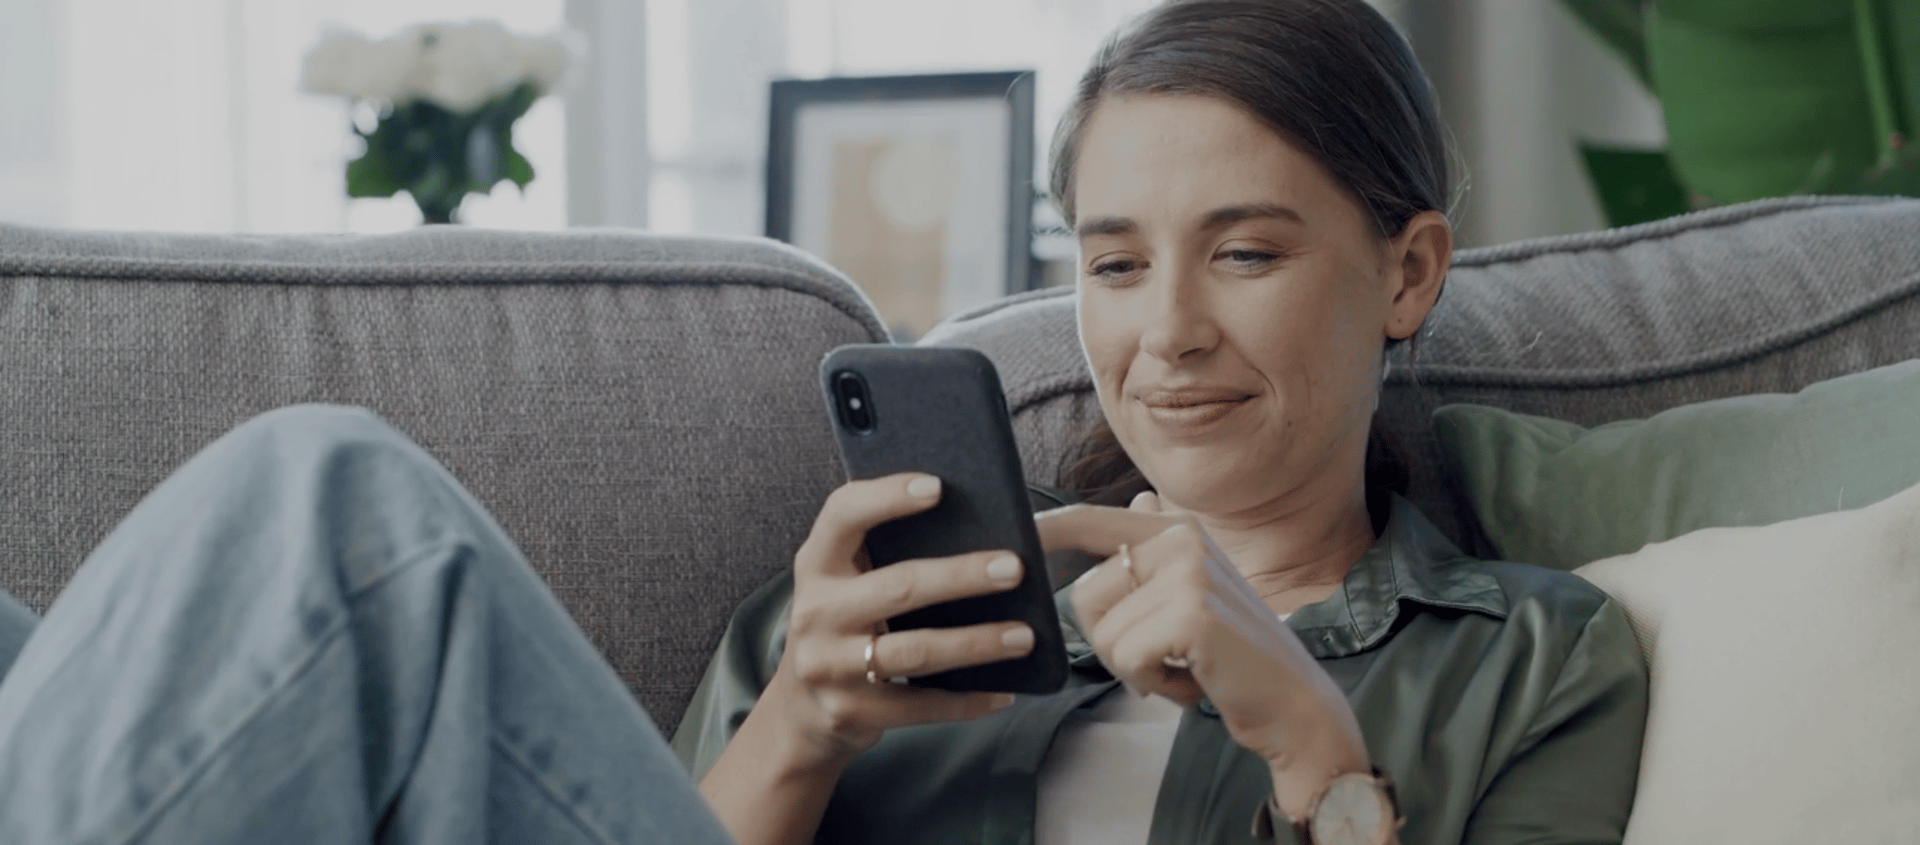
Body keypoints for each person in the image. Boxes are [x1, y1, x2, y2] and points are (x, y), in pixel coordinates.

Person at [672, 1, 1648, 844]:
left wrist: (1317, 749)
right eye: (1118, 266)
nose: (1170, 332)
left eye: (1246, 254)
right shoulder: (867, 609)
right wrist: (796, 725)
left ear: (1410, 272)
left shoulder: (1537, 660)